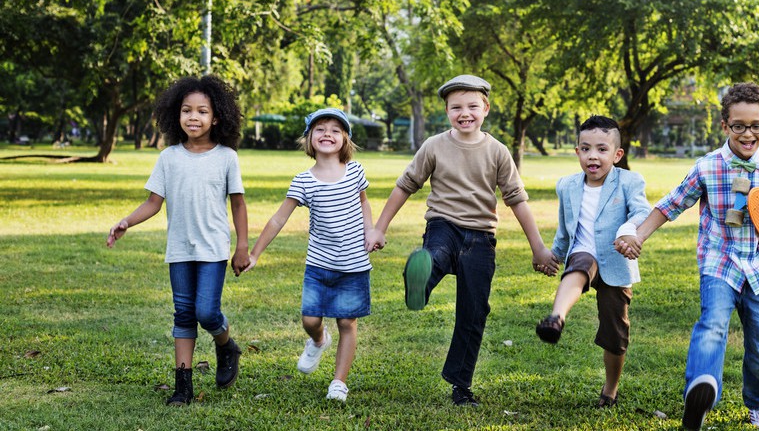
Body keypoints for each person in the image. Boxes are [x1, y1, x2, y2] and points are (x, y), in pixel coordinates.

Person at [364, 74, 558, 407]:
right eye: (456, 107)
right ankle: (420, 283)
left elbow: (516, 199)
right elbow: (405, 186)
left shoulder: (497, 151)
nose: (464, 113)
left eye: (471, 106)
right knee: (435, 255)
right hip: (443, 224)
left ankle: (461, 385)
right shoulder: (434, 146)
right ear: (447, 111)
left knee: (474, 311)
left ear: (485, 108)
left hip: (482, 236)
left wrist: (538, 247)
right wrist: (379, 228)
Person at [615, 82, 759, 430]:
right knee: (712, 325)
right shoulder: (707, 166)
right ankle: (700, 389)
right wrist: (638, 235)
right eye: (739, 125)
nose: (748, 133)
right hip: (719, 261)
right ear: (725, 125)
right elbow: (671, 204)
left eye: (755, 126)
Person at [106, 75, 249, 406]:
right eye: (187, 110)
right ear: (176, 115)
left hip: (213, 248)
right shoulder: (168, 157)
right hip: (180, 249)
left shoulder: (227, 156)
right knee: (183, 314)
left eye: (202, 111)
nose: (194, 117)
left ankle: (226, 345)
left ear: (217, 117)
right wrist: (127, 221)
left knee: (207, 312)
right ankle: (182, 386)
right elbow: (153, 203)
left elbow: (238, 204)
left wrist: (242, 246)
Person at [246, 108, 373, 403]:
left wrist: (372, 231)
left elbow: (364, 204)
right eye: (320, 129)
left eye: (335, 130)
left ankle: (339, 382)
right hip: (319, 265)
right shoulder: (304, 181)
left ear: (345, 139)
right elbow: (279, 219)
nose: (327, 134)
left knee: (347, 323)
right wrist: (255, 253)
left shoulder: (355, 171)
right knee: (310, 318)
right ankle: (318, 339)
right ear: (309, 139)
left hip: (354, 265)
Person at [535, 115, 651, 409]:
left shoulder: (629, 181)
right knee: (581, 265)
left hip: (615, 260)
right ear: (577, 152)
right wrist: (554, 256)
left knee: (615, 333)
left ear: (617, 154)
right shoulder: (567, 186)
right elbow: (565, 229)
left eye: (601, 149)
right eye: (585, 149)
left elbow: (642, 212)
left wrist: (628, 233)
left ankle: (610, 389)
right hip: (583, 252)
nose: (593, 156)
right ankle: (556, 318)